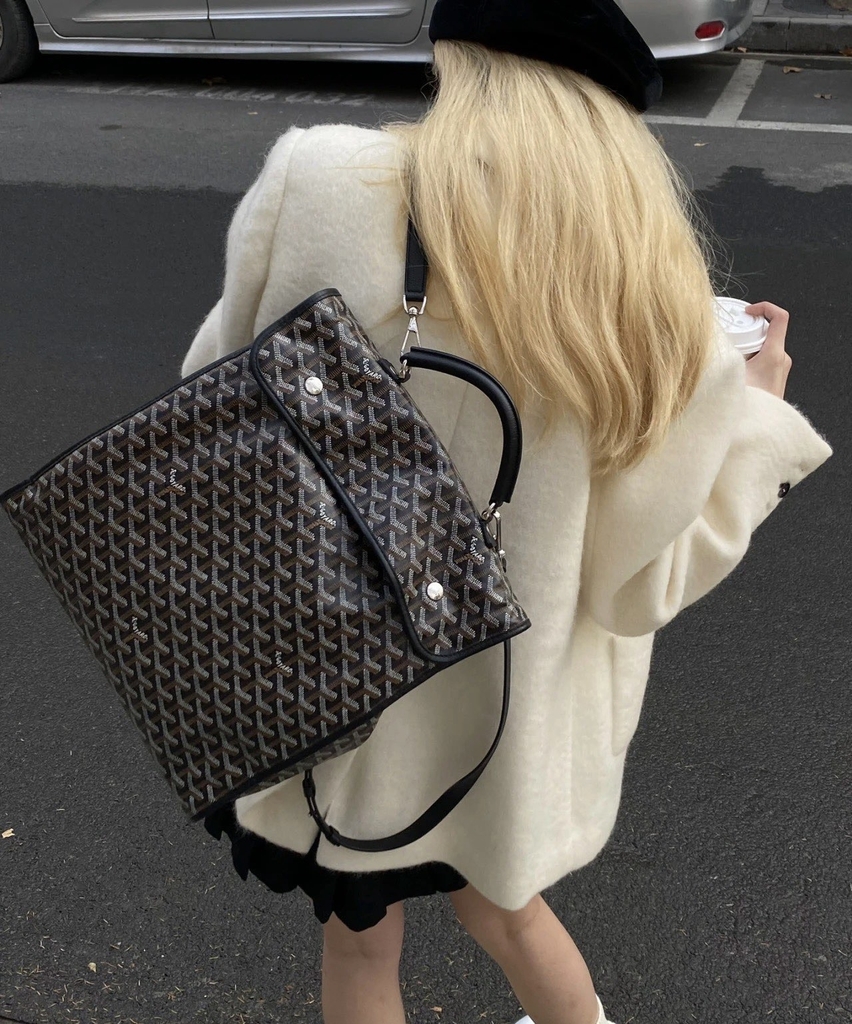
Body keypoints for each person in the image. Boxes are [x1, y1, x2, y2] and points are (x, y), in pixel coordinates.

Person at [179, 2, 833, 1022]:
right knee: (509, 912)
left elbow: (212, 398)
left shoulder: (320, 180)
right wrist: (755, 421)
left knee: (360, 943)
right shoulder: (652, 297)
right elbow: (640, 588)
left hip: (329, 684)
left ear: (456, 56)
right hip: (503, 723)